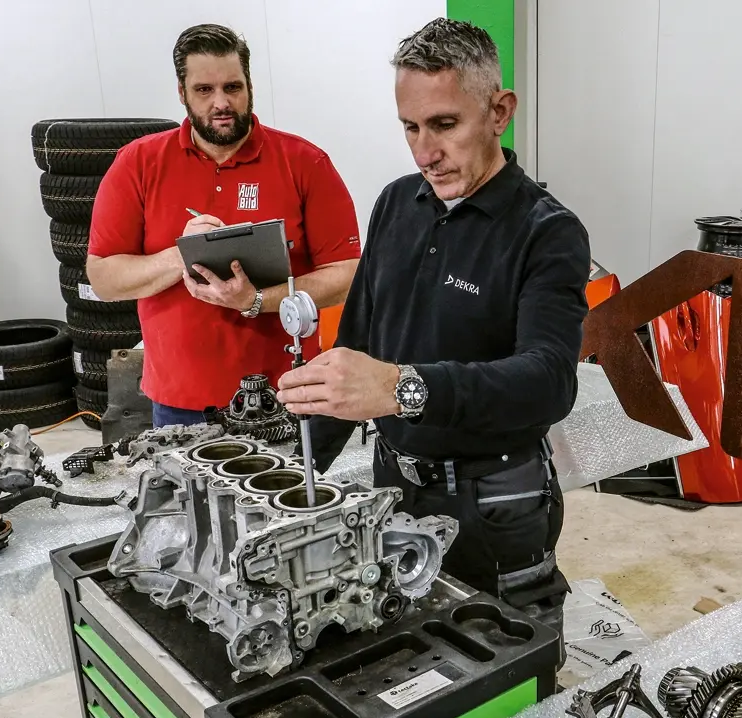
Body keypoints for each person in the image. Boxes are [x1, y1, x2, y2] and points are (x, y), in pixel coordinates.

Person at [275, 18, 591, 647]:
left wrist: (402, 388)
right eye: (410, 128)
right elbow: (357, 346)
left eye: (444, 125)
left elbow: (548, 381)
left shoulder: (546, 231)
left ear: (499, 112)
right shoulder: (397, 203)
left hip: (495, 503)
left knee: (505, 663)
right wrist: (294, 476)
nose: (424, 153)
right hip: (392, 487)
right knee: (405, 655)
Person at [87, 23, 361, 427]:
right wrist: (181, 255)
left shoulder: (305, 163)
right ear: (182, 93)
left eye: (233, 87)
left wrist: (257, 300)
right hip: (180, 403)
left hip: (285, 393)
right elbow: (103, 279)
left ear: (249, 86)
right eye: (204, 90)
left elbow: (348, 275)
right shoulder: (138, 164)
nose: (221, 103)